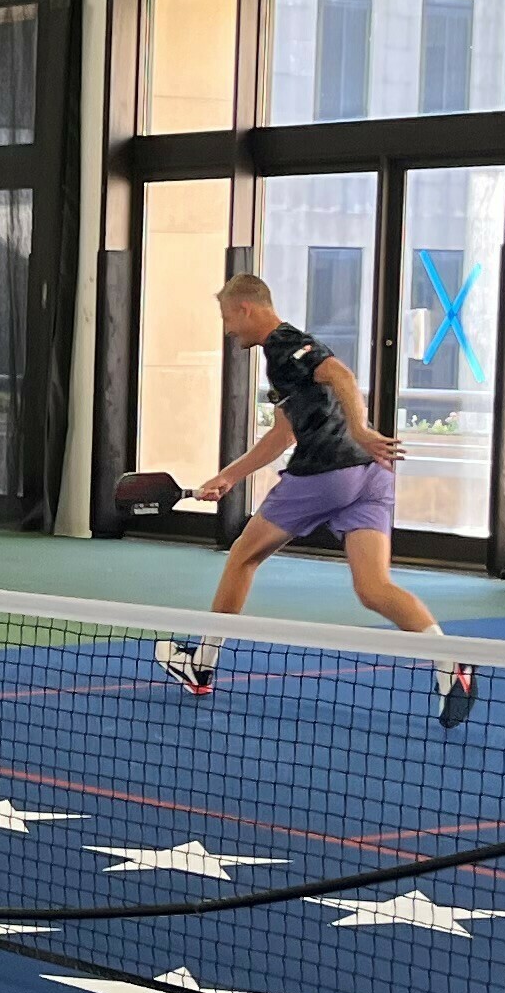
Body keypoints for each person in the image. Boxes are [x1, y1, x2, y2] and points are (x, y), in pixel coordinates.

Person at [155, 274, 441, 694]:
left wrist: (360, 428)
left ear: (245, 309)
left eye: (227, 318)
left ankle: (203, 664)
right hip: (372, 476)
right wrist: (230, 475)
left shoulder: (284, 344)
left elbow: (340, 374)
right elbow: (282, 435)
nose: (227, 328)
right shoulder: (283, 363)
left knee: (242, 558)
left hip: (326, 472)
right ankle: (449, 661)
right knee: (374, 588)